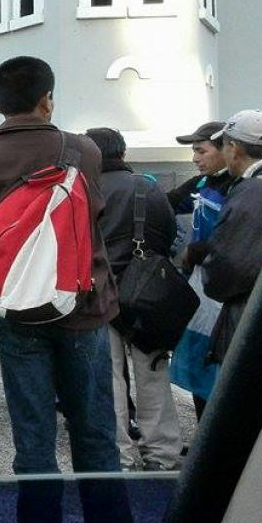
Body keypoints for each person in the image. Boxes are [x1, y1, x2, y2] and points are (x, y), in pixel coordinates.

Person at [0, 57, 130, 523]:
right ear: (46, 98)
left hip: (17, 313)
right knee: (94, 433)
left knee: (33, 438)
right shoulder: (82, 150)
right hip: (82, 307)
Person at [85, 127, 181, 471]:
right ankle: (163, 452)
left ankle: (120, 455)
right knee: (153, 372)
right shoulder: (150, 188)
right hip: (148, 297)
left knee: (108, 376)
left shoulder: (86, 190)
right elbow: (170, 236)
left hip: (100, 294)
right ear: (123, 153)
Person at [166, 121, 234, 422]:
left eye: (201, 150)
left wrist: (195, 251)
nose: (195, 158)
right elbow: (165, 203)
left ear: (228, 150)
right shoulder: (200, 184)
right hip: (199, 295)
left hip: (227, 295)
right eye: (194, 151)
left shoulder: (242, 189)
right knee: (198, 364)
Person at [190, 111, 262, 366]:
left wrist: (209, 273)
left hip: (250, 311)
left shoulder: (252, 190)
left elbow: (231, 264)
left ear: (233, 148)